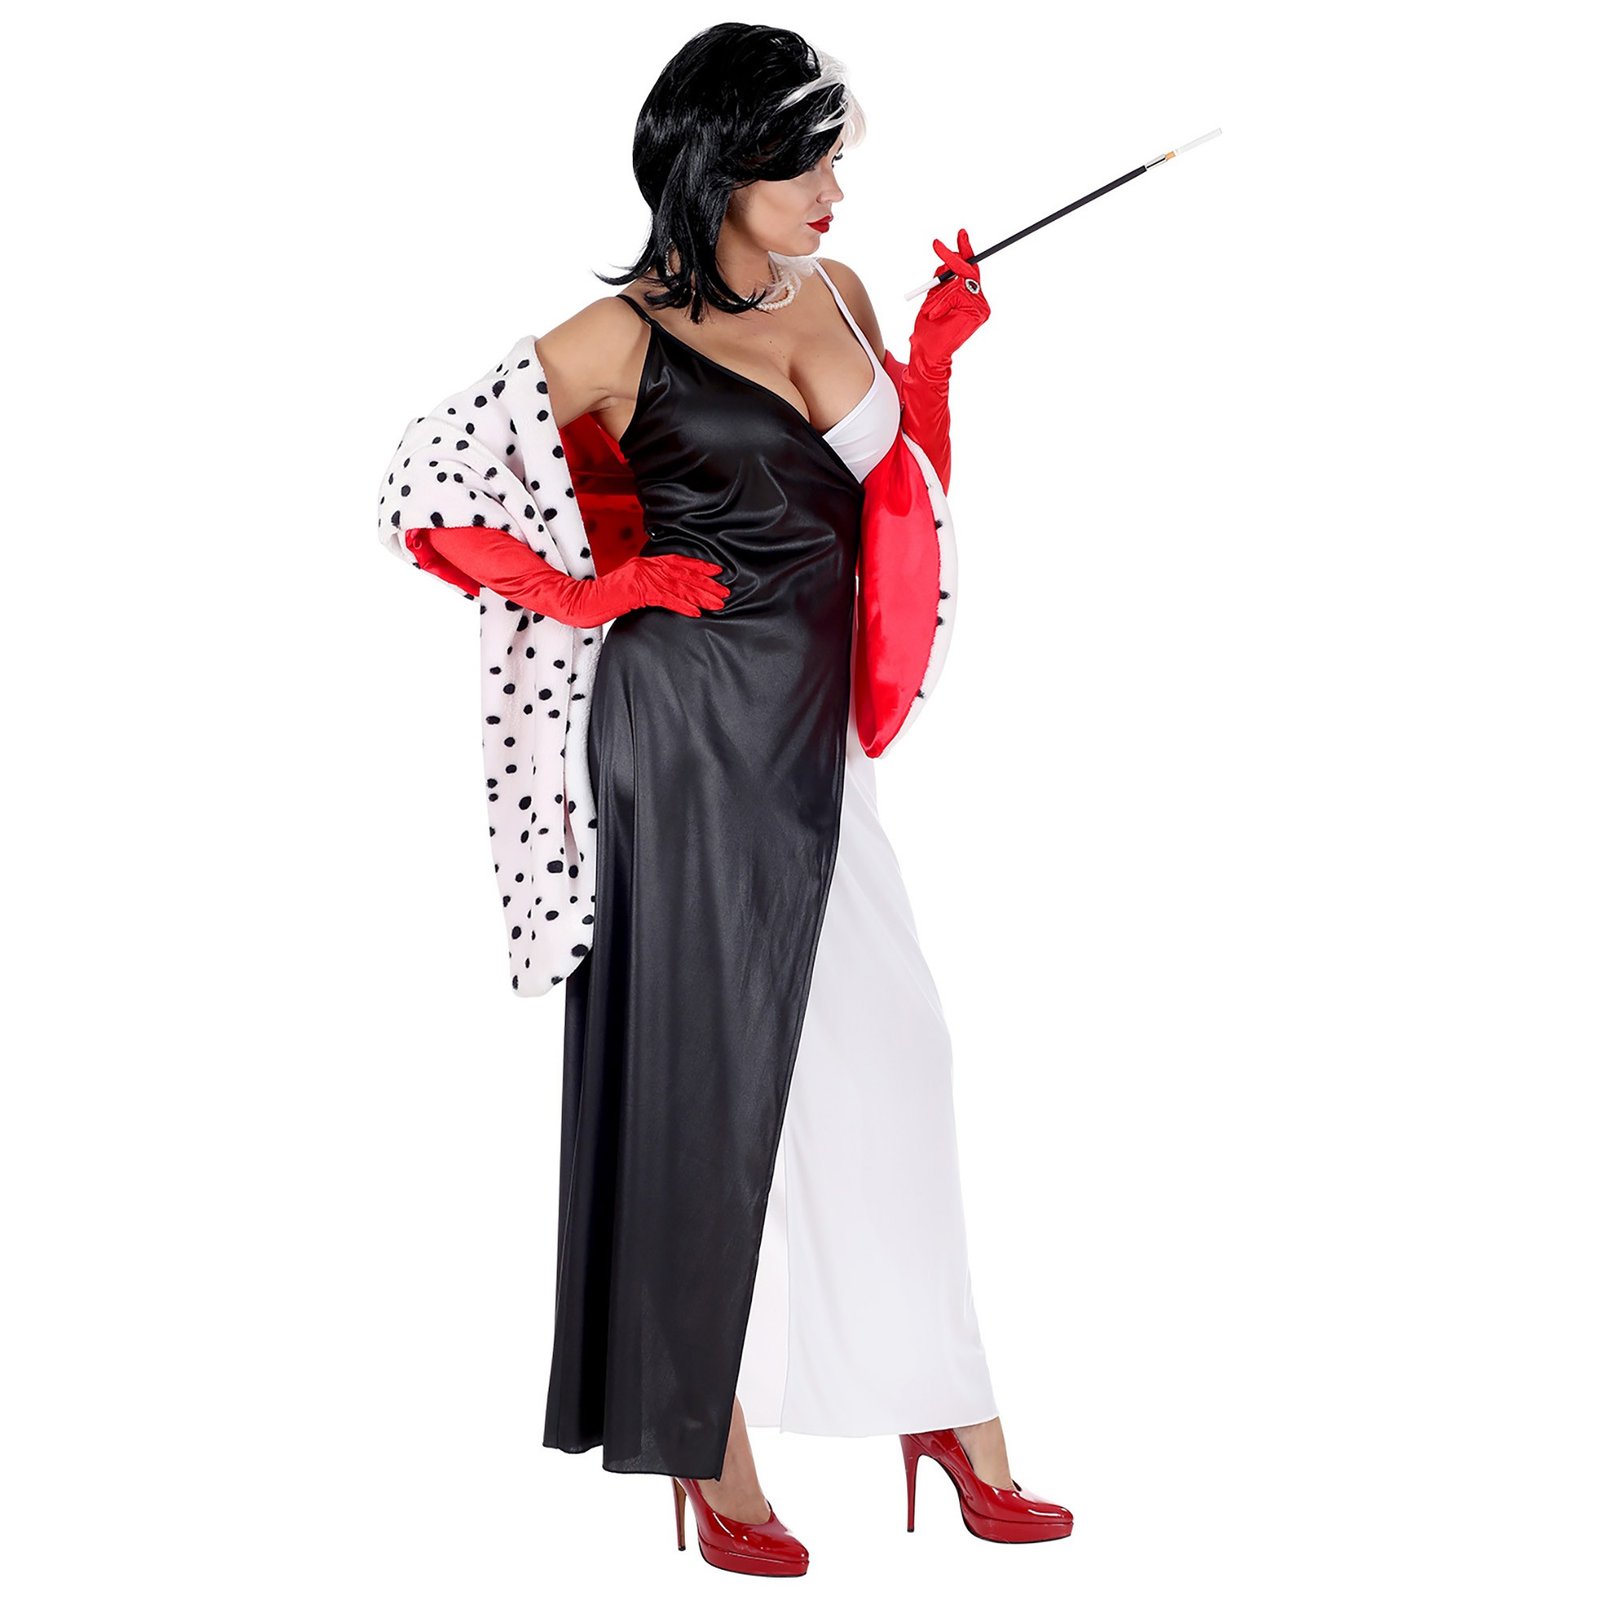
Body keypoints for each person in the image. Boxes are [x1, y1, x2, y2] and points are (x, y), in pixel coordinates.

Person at [379, 23, 1072, 1577]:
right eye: (809, 162)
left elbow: (899, 495)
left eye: (837, 160)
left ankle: (937, 1406)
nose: (837, 190)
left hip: (812, 735)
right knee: (701, 1079)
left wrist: (935, 358)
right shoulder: (613, 335)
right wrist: (589, 591)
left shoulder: (840, 290)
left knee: (895, 1056)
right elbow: (421, 487)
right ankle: (708, 1446)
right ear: (719, 164)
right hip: (685, 732)